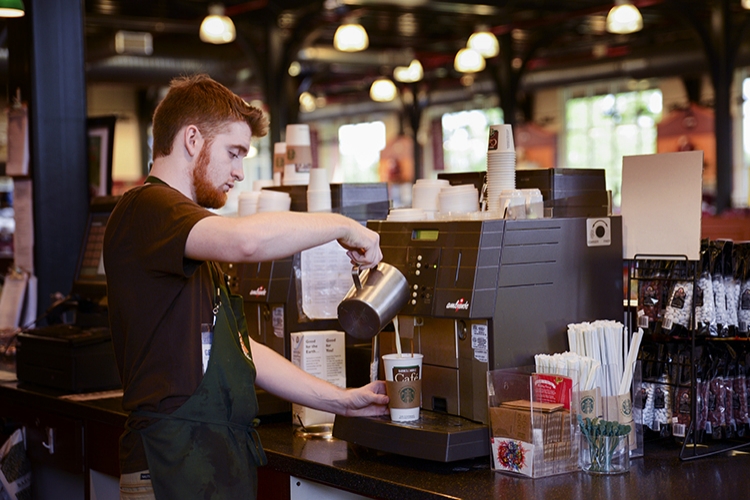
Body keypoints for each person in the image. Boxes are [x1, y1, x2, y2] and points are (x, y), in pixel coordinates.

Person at [103, 74, 389, 500]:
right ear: (193, 139)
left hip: (207, 466)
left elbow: (241, 351)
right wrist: (343, 227)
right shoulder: (148, 207)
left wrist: (340, 401)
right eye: (233, 153)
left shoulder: (185, 236)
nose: (239, 172)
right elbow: (246, 241)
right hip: (171, 467)